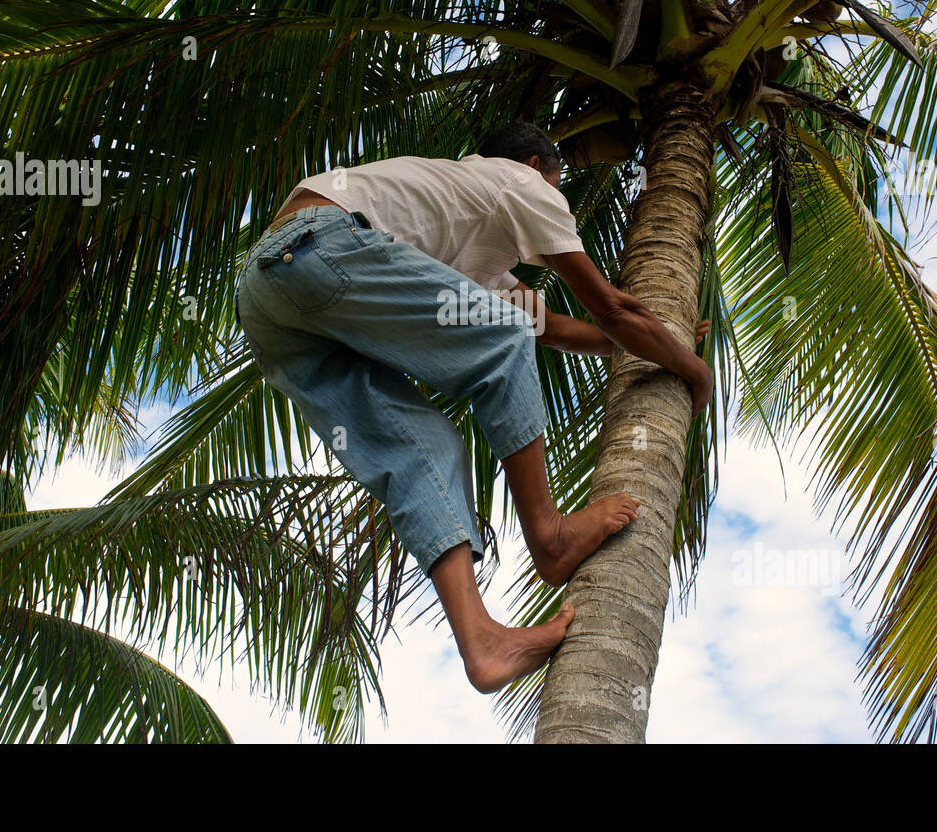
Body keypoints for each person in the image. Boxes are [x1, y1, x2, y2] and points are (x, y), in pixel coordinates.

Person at [235, 121, 712, 692]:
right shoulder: (519, 182)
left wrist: (646, 343)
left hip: (268, 298)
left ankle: (482, 644)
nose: (559, 203)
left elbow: (550, 325)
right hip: (320, 246)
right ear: (537, 166)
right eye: (560, 187)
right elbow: (608, 307)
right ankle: (549, 535)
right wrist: (691, 368)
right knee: (501, 337)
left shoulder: (464, 235)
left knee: (421, 451)